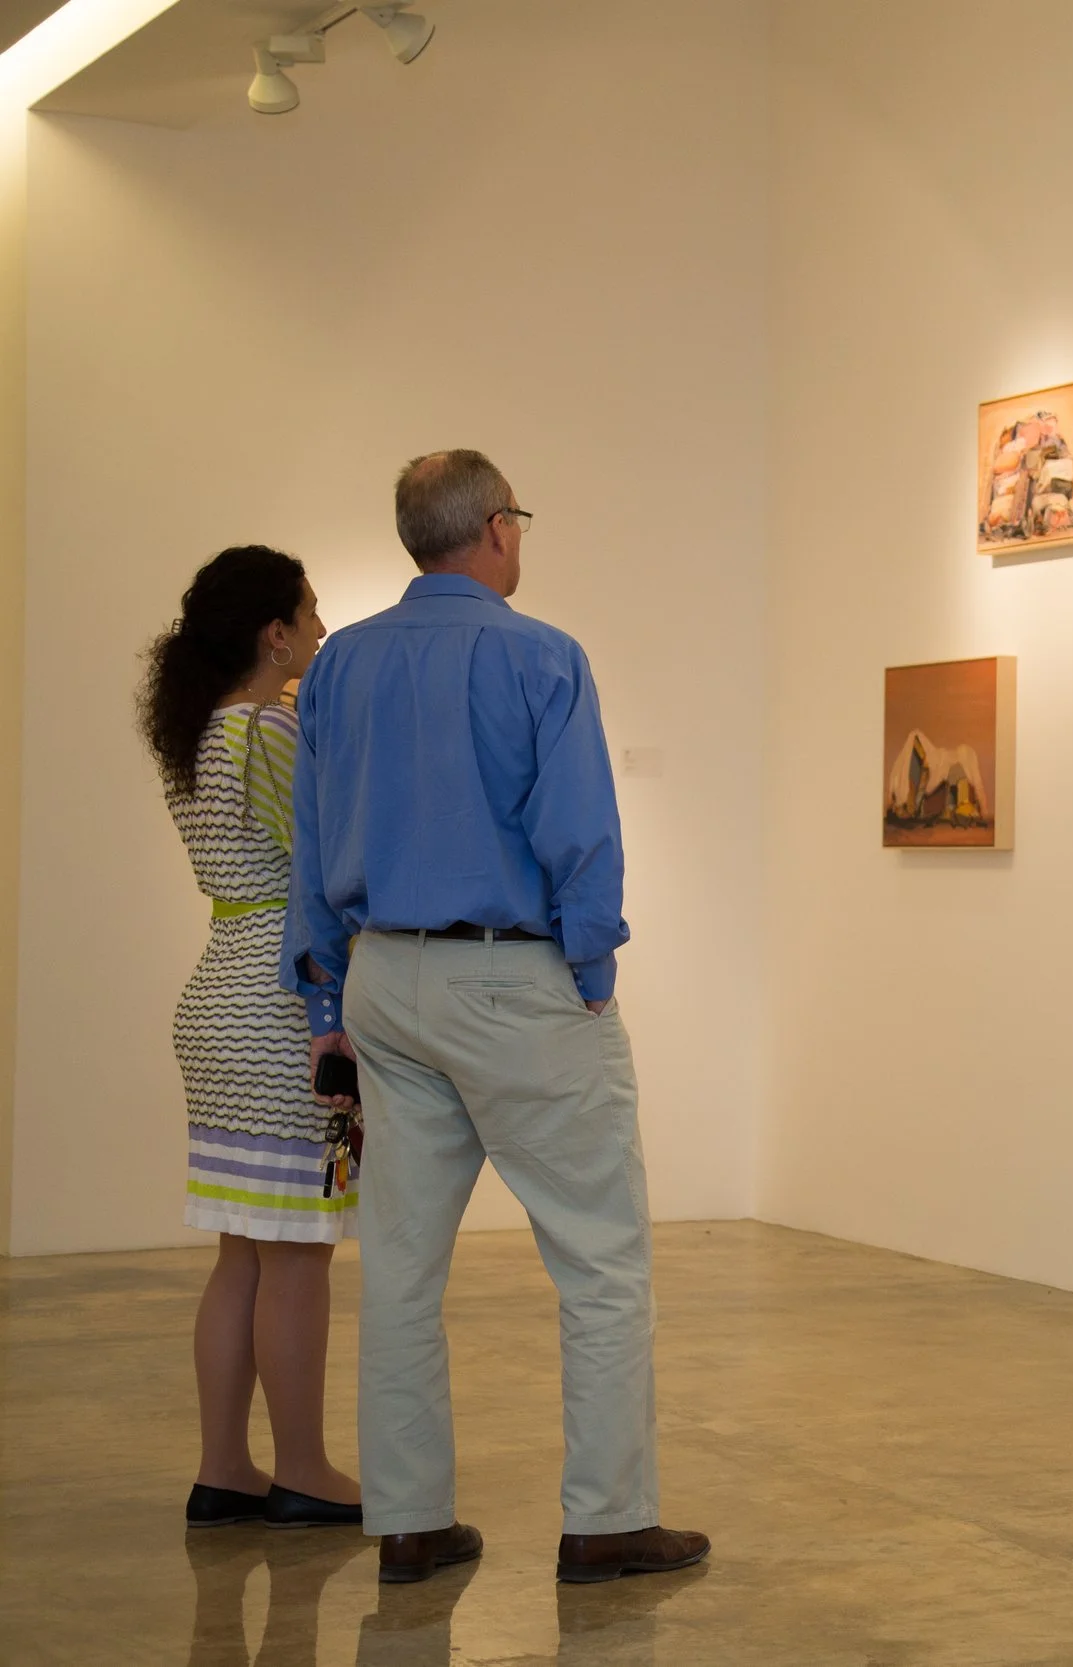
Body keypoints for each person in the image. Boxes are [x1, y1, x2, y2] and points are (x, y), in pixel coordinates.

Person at [283, 450, 707, 1586]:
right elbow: (579, 829)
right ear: (496, 529)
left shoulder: (338, 666)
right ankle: (607, 1519)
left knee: (400, 1267)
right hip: (513, 977)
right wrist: (592, 967)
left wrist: (324, 994)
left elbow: (314, 845)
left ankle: (408, 1522)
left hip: (383, 979)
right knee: (601, 1258)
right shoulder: (543, 657)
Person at [141, 545, 364, 1532]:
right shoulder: (269, 729)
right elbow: (320, 867)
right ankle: (304, 1467)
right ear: (274, 632)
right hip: (280, 1007)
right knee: (299, 1254)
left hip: (218, 996)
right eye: (309, 612)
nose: (320, 628)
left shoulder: (199, 733)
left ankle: (224, 1467)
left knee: (243, 1251)